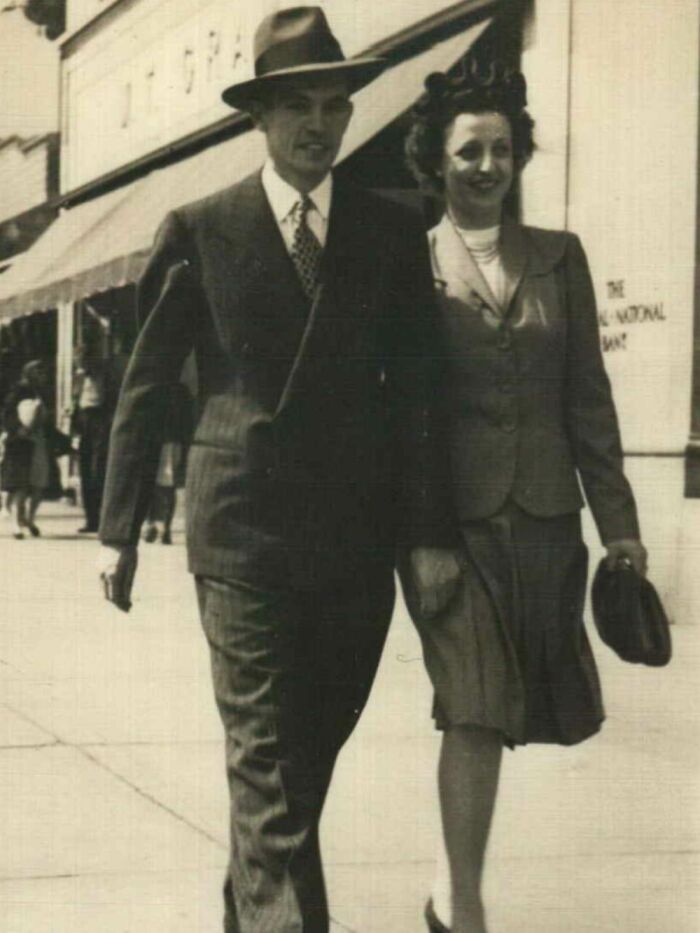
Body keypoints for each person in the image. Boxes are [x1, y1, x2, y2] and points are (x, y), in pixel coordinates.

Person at [97, 8, 462, 932]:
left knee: (297, 767)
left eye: (335, 106)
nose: (319, 125)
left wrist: (427, 536)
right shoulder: (200, 228)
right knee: (264, 759)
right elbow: (145, 389)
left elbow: (421, 397)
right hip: (243, 537)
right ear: (258, 119)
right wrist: (118, 531)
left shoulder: (390, 230)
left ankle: (248, 912)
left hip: (354, 542)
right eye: (297, 106)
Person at [403, 58, 647, 933]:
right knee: (472, 701)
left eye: (502, 149)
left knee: (505, 707)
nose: (487, 166)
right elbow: (403, 416)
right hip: (452, 530)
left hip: (545, 521)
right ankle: (462, 905)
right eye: (469, 149)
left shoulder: (559, 257)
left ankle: (445, 884)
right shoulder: (412, 261)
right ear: (436, 158)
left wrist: (621, 529)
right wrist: (417, 538)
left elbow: (589, 400)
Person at [0, 359, 55, 539]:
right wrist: (17, 429)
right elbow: (7, 413)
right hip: (20, 442)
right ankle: (17, 523)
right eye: (40, 373)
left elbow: (45, 419)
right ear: (31, 373)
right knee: (20, 485)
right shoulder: (19, 390)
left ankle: (30, 519)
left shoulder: (41, 392)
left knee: (38, 483)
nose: (44, 376)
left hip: (38, 441)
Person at [141, 381, 194, 545]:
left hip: (167, 439)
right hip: (161, 439)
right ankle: (155, 525)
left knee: (162, 483)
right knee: (158, 482)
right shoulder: (180, 390)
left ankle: (161, 526)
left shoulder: (177, 390)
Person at [72, 349, 111, 533]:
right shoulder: (78, 378)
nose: (79, 363)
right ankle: (91, 520)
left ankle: (104, 519)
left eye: (82, 359)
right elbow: (74, 402)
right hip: (83, 423)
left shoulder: (105, 376)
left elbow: (110, 401)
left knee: (99, 472)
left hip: (100, 422)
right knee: (85, 472)